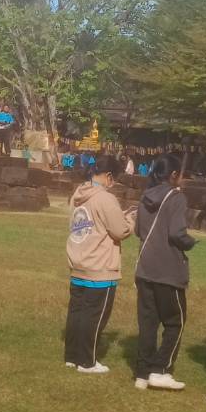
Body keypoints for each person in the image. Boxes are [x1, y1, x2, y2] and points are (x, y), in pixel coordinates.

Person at [63, 155, 135, 374]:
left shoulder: (78, 193)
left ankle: (72, 356)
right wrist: (131, 219)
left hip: (79, 261)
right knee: (94, 315)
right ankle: (87, 361)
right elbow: (120, 230)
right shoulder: (105, 198)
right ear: (109, 176)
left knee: (76, 311)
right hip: (99, 266)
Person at [132, 154, 195, 392]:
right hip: (169, 270)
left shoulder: (144, 196)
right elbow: (177, 233)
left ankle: (142, 373)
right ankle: (160, 370)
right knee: (175, 321)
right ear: (173, 175)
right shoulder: (176, 197)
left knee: (147, 323)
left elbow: (139, 230)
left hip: (145, 268)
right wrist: (190, 243)